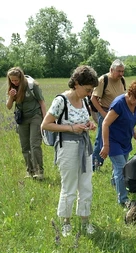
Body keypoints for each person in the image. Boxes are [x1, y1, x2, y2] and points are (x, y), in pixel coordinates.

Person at [41, 65, 99, 236]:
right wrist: (71, 128)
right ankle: (66, 223)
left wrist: (90, 125)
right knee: (69, 186)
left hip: (85, 146)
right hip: (67, 147)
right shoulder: (61, 101)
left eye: (91, 90)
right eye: (88, 89)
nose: (90, 93)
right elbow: (46, 125)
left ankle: (85, 220)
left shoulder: (85, 100)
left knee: (86, 185)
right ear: (76, 83)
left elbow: (84, 119)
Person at [99, 80, 136, 207]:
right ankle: (123, 200)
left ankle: (115, 184)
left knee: (120, 168)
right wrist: (106, 145)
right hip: (113, 141)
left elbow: (129, 122)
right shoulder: (119, 103)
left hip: (125, 140)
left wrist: (135, 135)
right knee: (122, 169)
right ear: (131, 93)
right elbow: (105, 123)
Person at [6, 67, 46, 180]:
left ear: (21, 77)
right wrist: (11, 97)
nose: (14, 82)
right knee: (25, 146)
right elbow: (8, 107)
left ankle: (39, 171)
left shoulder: (32, 85)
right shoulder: (12, 88)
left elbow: (42, 102)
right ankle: (30, 171)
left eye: (16, 80)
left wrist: (45, 120)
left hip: (35, 116)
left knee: (34, 144)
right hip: (21, 119)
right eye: (12, 80)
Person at [91, 59, 126, 171]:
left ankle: (116, 165)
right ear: (111, 70)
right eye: (118, 71)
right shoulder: (103, 80)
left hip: (119, 114)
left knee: (118, 139)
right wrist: (103, 113)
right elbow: (93, 98)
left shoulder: (122, 80)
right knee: (101, 140)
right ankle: (96, 164)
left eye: (122, 71)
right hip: (106, 112)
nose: (121, 74)